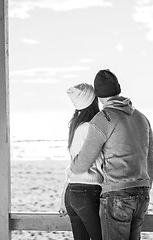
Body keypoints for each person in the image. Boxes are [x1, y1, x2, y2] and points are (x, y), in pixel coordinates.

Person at [70, 69, 153, 240]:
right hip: (142, 194)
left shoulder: (103, 119)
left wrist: (72, 164)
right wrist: (145, 187)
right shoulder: (141, 118)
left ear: (98, 96)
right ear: (118, 89)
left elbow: (82, 165)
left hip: (117, 195)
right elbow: (150, 160)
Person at [59, 83, 103, 240]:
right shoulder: (90, 128)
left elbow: (73, 166)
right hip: (88, 192)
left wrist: (63, 198)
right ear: (93, 101)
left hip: (73, 192)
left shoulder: (76, 126)